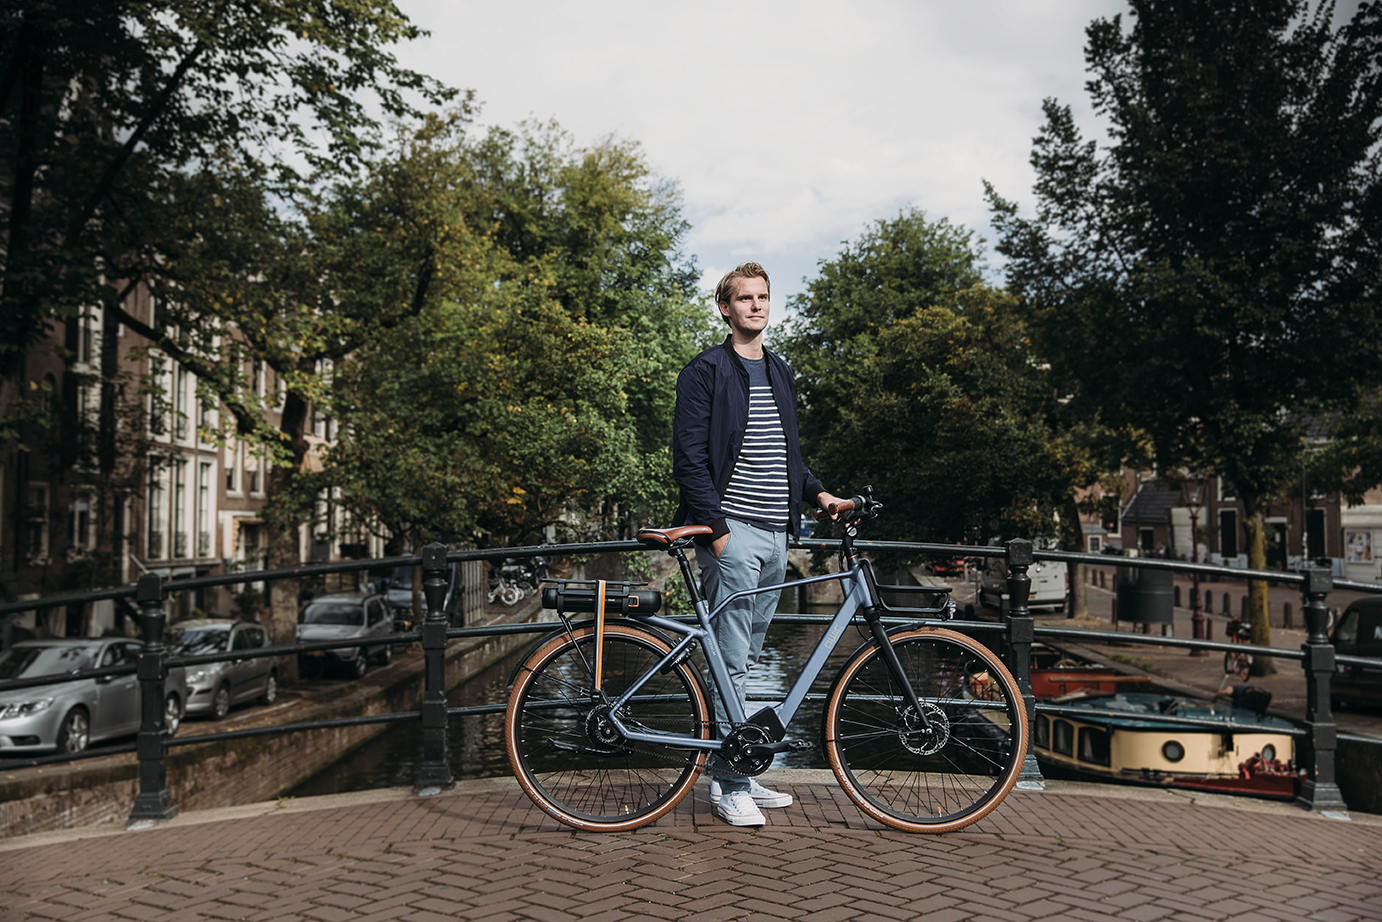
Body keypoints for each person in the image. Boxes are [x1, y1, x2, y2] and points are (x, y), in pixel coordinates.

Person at [671, 262, 847, 826]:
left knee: (747, 657)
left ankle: (738, 771)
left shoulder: (779, 369)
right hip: (734, 532)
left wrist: (819, 494)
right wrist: (718, 531)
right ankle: (729, 785)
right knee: (730, 659)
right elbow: (688, 460)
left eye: (763, 297)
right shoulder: (705, 371)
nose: (756, 305)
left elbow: (788, 453)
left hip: (777, 533)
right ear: (725, 308)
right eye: (745, 298)